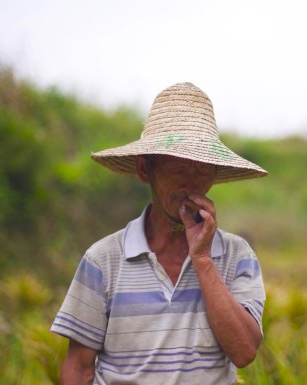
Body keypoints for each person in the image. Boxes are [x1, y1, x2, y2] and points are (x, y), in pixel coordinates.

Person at [51, 82, 268, 385]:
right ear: (144, 169)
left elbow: (244, 352)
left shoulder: (237, 256)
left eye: (202, 169)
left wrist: (203, 259)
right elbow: (79, 368)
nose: (191, 184)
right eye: (178, 167)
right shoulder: (103, 260)